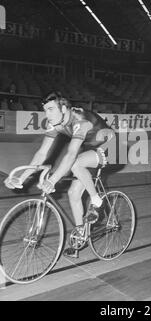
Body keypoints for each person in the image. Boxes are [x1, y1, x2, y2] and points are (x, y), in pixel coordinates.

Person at [4, 91, 115, 258]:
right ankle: (81, 238)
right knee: (73, 193)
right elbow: (42, 154)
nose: (47, 115)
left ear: (63, 108)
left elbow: (70, 155)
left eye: (50, 110)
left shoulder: (80, 121)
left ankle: (96, 199)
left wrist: (53, 180)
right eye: (45, 110)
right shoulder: (55, 124)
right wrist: (22, 176)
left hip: (112, 146)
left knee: (76, 162)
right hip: (90, 147)